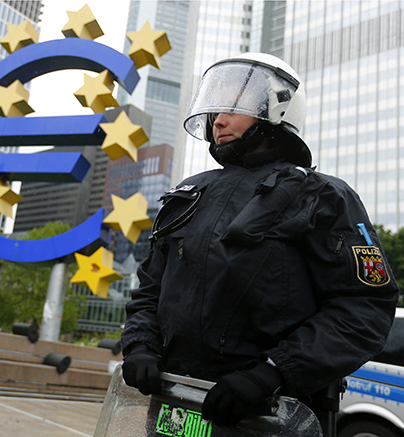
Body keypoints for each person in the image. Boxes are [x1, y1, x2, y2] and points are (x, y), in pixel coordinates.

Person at [120, 52, 400, 433]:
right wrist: (140, 345)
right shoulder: (189, 193)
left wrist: (273, 372)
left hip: (267, 415)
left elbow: (364, 306)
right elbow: (150, 288)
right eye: (214, 107)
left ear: (279, 108)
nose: (218, 119)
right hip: (175, 408)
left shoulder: (324, 197)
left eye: (234, 104)